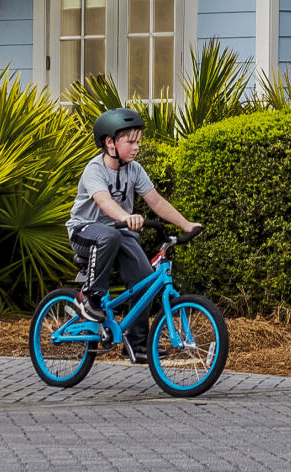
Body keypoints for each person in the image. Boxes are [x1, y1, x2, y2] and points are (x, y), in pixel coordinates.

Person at [68, 107, 200, 345]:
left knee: (144, 279)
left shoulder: (135, 169)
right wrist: (126, 217)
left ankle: (137, 343)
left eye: (138, 141)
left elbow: (156, 201)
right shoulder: (94, 170)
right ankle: (89, 298)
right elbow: (104, 201)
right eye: (131, 141)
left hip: (117, 234)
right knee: (109, 235)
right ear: (110, 143)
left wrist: (186, 224)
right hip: (85, 231)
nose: (137, 146)